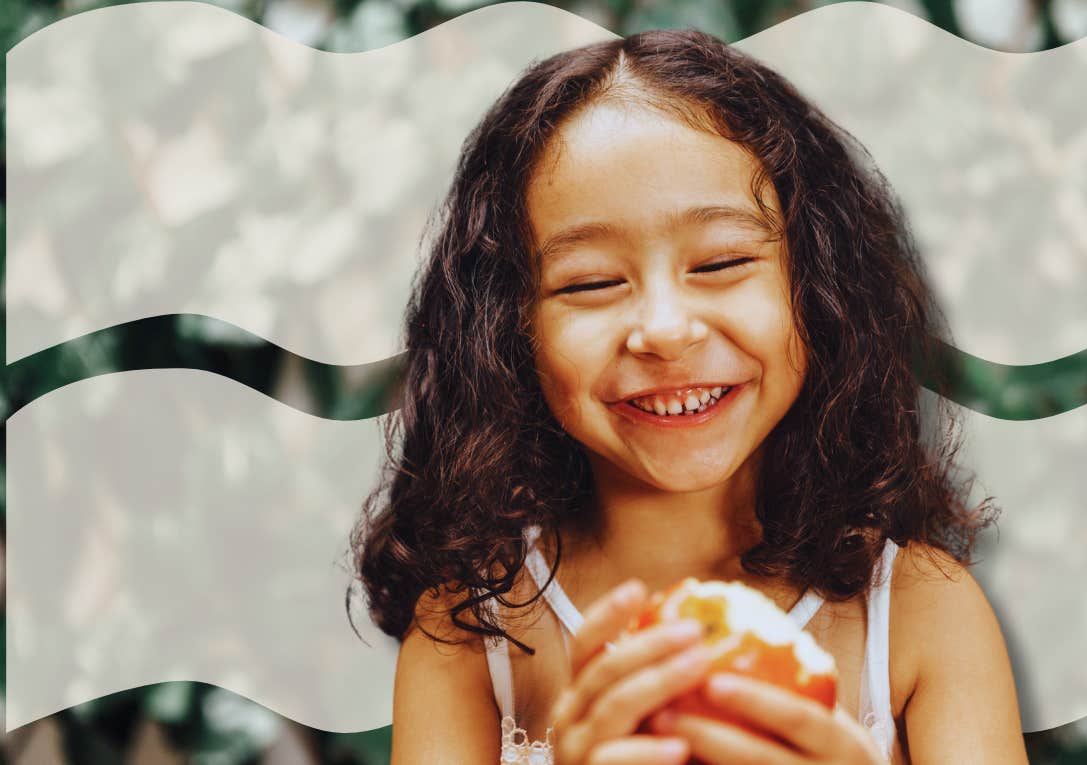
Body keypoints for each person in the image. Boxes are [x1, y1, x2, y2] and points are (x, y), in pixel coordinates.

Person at [350, 28, 1027, 765]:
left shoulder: (923, 612)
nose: (665, 330)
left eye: (723, 261)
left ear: (819, 289)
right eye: (590, 282)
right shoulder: (467, 636)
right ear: (507, 331)